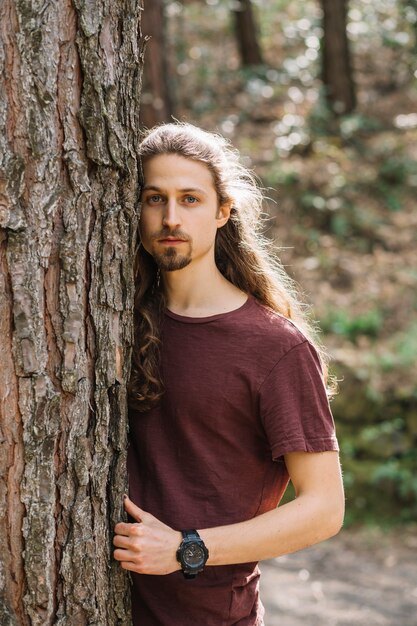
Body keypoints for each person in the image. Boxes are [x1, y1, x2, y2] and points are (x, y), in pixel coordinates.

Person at [113, 122, 345, 626]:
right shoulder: (109, 319)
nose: (170, 217)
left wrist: (185, 549)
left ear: (222, 211)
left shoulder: (275, 347)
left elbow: (325, 507)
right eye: (155, 199)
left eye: (190, 199)